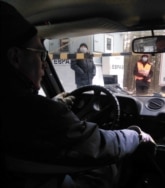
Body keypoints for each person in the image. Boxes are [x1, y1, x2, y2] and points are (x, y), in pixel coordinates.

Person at [0, 2, 155, 188]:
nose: (45, 64)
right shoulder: (39, 112)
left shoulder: (21, 108)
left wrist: (53, 103)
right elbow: (100, 147)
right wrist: (136, 135)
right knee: (108, 168)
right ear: (15, 58)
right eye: (40, 55)